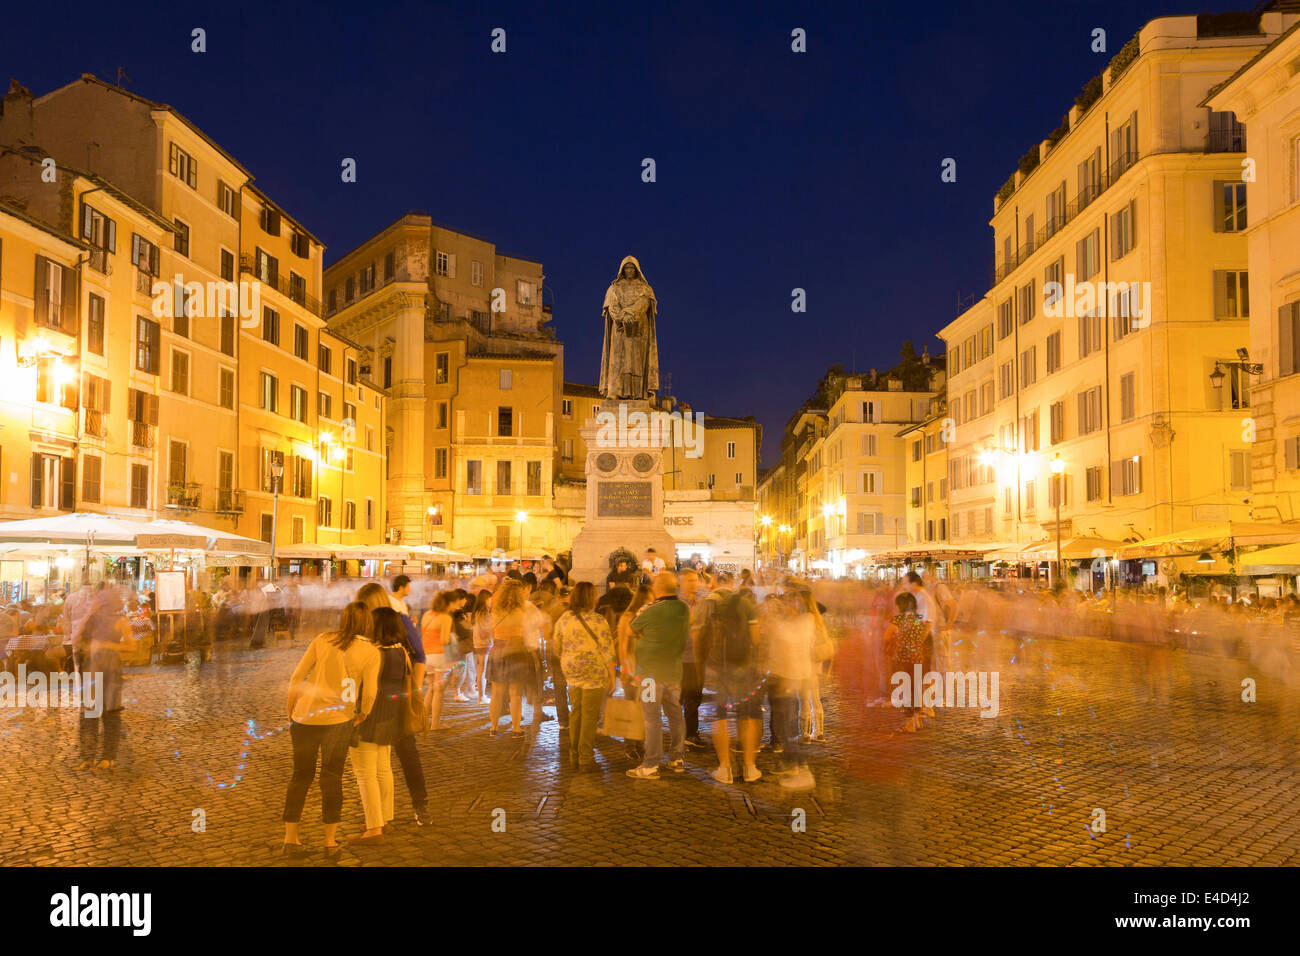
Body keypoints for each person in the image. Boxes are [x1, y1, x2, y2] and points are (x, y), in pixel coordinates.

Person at [282, 602, 380, 859]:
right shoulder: (370, 651)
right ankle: (329, 841)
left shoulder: (323, 639)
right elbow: (369, 692)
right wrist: (363, 713)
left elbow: (297, 676)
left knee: (300, 777)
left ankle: (290, 840)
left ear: (343, 619)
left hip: (305, 717)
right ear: (367, 623)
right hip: (339, 720)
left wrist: (290, 706)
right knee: (332, 778)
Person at [357, 582, 431, 827]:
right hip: (371, 695)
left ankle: (420, 805)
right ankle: (378, 811)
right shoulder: (364, 623)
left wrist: (415, 689)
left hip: (397, 692)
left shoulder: (398, 620)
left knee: (405, 749)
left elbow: (419, 655)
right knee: (378, 756)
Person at [347, 607, 409, 845]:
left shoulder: (373, 653)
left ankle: (374, 829)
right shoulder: (400, 651)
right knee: (383, 769)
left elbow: (363, 687)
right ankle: (384, 818)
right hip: (390, 715)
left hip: (369, 716)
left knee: (365, 774)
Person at [626, 572, 690, 779]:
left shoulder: (651, 610)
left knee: (651, 719)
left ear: (657, 588)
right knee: (675, 714)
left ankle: (651, 764)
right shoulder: (683, 608)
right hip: (673, 672)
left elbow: (631, 628)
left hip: (649, 675)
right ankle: (677, 757)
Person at [701, 572, 762, 784]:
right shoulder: (746, 604)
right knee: (746, 715)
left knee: (721, 716)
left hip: (720, 665)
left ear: (716, 584)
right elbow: (755, 638)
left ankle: (724, 768)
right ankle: (750, 767)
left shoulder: (710, 604)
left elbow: (701, 634)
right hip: (744, 664)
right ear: (733, 584)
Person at [555, 582, 616, 772]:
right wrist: (612, 675)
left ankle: (574, 755)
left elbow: (556, 646)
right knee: (589, 715)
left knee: (576, 712)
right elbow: (607, 650)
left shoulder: (564, 619)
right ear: (592, 598)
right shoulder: (598, 620)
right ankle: (585, 758)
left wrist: (570, 657)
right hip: (593, 669)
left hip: (571, 669)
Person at [77, 588, 137, 771]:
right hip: (92, 669)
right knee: (89, 713)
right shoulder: (92, 619)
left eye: (100, 601)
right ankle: (87, 757)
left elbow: (131, 646)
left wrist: (107, 645)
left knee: (110, 715)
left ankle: (108, 756)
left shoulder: (121, 621)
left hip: (110, 670)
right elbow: (79, 639)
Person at [766, 591, 817, 790]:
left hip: (791, 679)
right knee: (782, 725)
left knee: (788, 726)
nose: (785, 604)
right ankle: (789, 764)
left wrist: (774, 622)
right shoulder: (791, 621)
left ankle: (801, 769)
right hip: (781, 677)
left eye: (789, 601)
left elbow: (788, 639)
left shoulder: (806, 621)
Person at [487, 578, 530, 738]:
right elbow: (524, 635)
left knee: (497, 693)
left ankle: (493, 727)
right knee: (515, 693)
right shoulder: (521, 613)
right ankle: (516, 728)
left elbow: (492, 633)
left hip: (497, 650)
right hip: (515, 653)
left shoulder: (496, 612)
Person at [883, 592, 930, 733]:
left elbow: (886, 637)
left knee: (907, 689)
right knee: (916, 688)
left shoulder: (897, 619)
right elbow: (924, 633)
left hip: (903, 659)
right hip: (918, 657)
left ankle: (909, 724)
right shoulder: (919, 618)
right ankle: (917, 720)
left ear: (900, 605)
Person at [420, 589, 463, 731]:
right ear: (449, 603)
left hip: (427, 656)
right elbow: (444, 640)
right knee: (439, 691)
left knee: (431, 689)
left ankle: (423, 721)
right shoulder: (446, 618)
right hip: (439, 656)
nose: (456, 607)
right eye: (455, 604)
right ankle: (435, 724)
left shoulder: (427, 614)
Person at [678, 569, 708, 751]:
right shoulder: (677, 605)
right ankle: (686, 733)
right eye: (689, 581)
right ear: (681, 583)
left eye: (695, 580)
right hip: (683, 657)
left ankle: (691, 732)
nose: (694, 584)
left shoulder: (702, 603)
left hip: (699, 657)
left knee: (695, 696)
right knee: (685, 696)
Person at [470, 588, 494, 702]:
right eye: (490, 599)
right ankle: (481, 696)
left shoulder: (477, 612)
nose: (491, 602)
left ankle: (481, 695)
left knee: (480, 670)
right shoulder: (484, 613)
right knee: (482, 671)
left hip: (478, 643)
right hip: (484, 643)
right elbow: (484, 630)